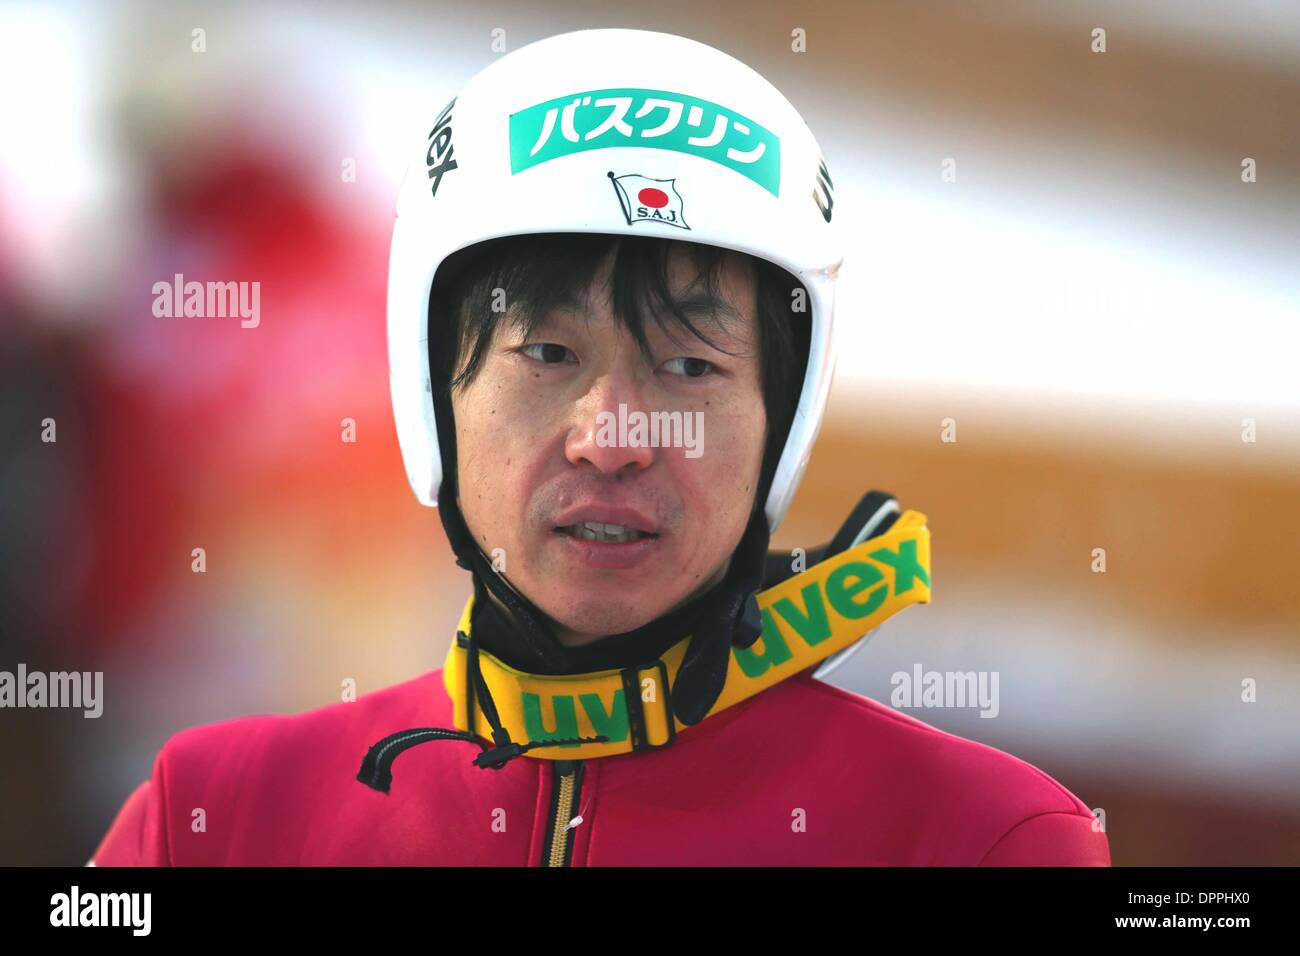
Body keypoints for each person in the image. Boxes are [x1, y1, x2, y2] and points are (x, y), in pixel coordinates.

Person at [91, 27, 1109, 866]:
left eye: (691, 367)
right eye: (546, 352)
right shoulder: (211, 821)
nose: (613, 437)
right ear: (434, 394)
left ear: (781, 418)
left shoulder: (983, 840)